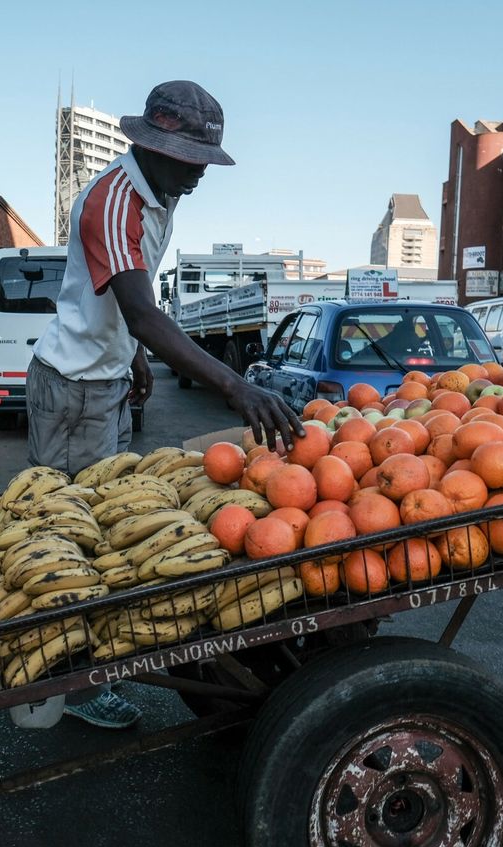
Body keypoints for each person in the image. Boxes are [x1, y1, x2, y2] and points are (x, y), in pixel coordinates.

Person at [27, 81, 302, 729]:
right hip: (72, 389)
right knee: (71, 539)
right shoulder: (113, 200)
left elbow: (130, 302)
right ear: (150, 144)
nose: (199, 173)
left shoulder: (159, 193)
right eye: (188, 158)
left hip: (105, 379)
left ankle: (77, 669)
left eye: (204, 160)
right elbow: (144, 310)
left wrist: (135, 358)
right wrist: (234, 385)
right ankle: (63, 686)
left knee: (103, 519)